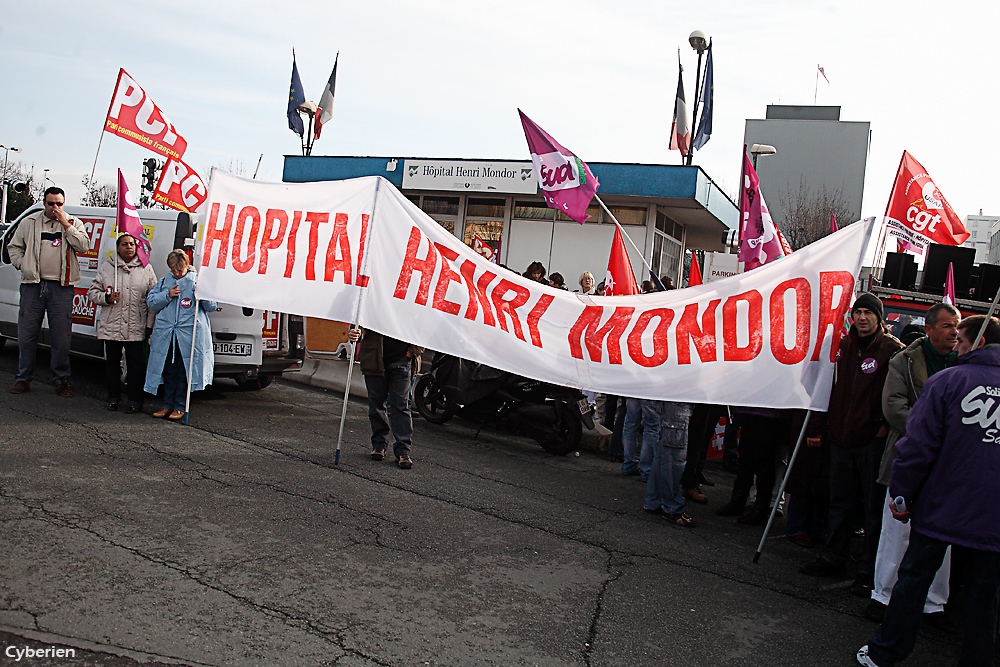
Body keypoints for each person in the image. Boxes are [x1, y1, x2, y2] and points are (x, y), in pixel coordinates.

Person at [857, 315, 1000, 667]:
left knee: (914, 577)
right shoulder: (938, 376)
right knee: (986, 594)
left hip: (941, 504)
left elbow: (917, 446)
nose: (957, 347)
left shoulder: (947, 382)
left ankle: (886, 651)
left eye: (961, 342)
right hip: (992, 516)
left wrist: (902, 493)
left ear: (977, 343)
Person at [801, 293, 904, 597]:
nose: (862, 318)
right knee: (839, 502)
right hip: (840, 437)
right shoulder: (843, 346)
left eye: (868, 313)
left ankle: (868, 570)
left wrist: (883, 427)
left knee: (872, 508)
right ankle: (834, 556)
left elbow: (896, 394)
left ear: (879, 318)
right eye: (858, 312)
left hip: (870, 441)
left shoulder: (892, 351)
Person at [865, 303, 960, 623]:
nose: (954, 332)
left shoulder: (963, 364)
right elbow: (894, 408)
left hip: (947, 465)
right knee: (896, 531)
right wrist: (933, 430)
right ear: (930, 328)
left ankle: (933, 603)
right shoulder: (903, 361)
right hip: (907, 456)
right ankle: (884, 595)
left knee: (941, 535)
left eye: (957, 325)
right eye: (947, 326)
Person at [7, 187, 90, 397]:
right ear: (44, 203)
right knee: (27, 335)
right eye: (51, 203)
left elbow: (83, 247)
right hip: (33, 285)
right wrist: (22, 264)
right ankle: (23, 378)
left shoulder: (73, 222)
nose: (55, 208)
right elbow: (13, 247)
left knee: (61, 337)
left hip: (61, 287)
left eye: (59, 204)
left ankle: (61, 380)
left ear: (64, 204)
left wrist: (65, 224)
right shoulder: (30, 223)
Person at [86, 234, 157, 413]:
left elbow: (153, 299)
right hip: (112, 326)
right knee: (112, 364)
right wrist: (106, 297)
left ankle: (135, 400)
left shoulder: (146, 268)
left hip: (136, 326)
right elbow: (93, 292)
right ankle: (113, 398)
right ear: (118, 248)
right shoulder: (107, 268)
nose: (128, 247)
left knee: (136, 366)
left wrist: (149, 325)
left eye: (132, 244)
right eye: (124, 244)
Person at [144, 250, 217, 422]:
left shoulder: (196, 281)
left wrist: (202, 293)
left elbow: (211, 305)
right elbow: (152, 302)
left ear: (186, 266)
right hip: (168, 335)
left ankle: (180, 406)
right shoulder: (164, 282)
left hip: (188, 335)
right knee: (169, 371)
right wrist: (166, 295)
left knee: (185, 372)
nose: (177, 274)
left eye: (180, 270)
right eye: (174, 271)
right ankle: (167, 404)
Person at [347, 327, 424, 469]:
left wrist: (414, 350)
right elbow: (359, 322)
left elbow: (423, 325)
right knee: (376, 405)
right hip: (374, 359)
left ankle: (403, 451)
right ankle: (379, 445)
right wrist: (355, 333)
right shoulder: (370, 304)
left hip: (402, 360)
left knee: (400, 406)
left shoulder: (410, 305)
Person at [644, 401, 697, 527]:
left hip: (674, 402)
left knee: (665, 452)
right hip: (677, 402)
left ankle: (654, 499)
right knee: (673, 456)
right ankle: (671, 506)